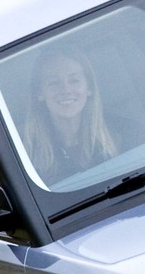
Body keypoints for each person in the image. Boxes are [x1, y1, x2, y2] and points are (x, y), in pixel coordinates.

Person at [22, 51, 118, 186]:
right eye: (54, 83)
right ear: (40, 93)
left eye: (74, 80)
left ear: (89, 88)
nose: (66, 90)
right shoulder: (25, 157)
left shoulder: (125, 135)